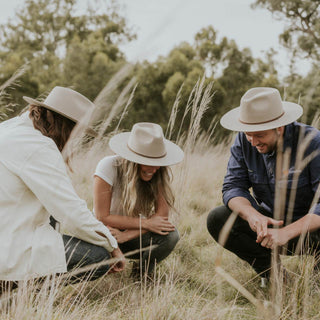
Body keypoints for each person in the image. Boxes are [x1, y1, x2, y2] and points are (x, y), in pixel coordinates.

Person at [0, 86, 125, 286]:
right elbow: (71, 211)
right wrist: (111, 245)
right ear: (64, 125)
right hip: (9, 246)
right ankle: (14, 288)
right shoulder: (39, 147)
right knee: (98, 256)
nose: (74, 139)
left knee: (51, 220)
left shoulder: (9, 128)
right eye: (75, 131)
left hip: (7, 228)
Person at [207, 87, 320, 282]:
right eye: (247, 134)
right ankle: (273, 275)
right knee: (218, 218)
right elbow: (232, 187)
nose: (252, 142)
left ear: (279, 127)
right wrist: (253, 215)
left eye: (259, 135)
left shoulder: (313, 142)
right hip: (268, 226)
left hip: (310, 231)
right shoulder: (245, 140)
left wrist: (286, 233)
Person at [93, 122, 184, 278]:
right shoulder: (108, 166)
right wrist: (147, 223)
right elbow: (102, 216)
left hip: (131, 231)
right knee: (96, 256)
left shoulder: (159, 173)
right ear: (132, 159)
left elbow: (162, 215)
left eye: (158, 163)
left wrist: (127, 235)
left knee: (170, 235)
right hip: (104, 231)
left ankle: (141, 273)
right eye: (149, 162)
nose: (154, 169)